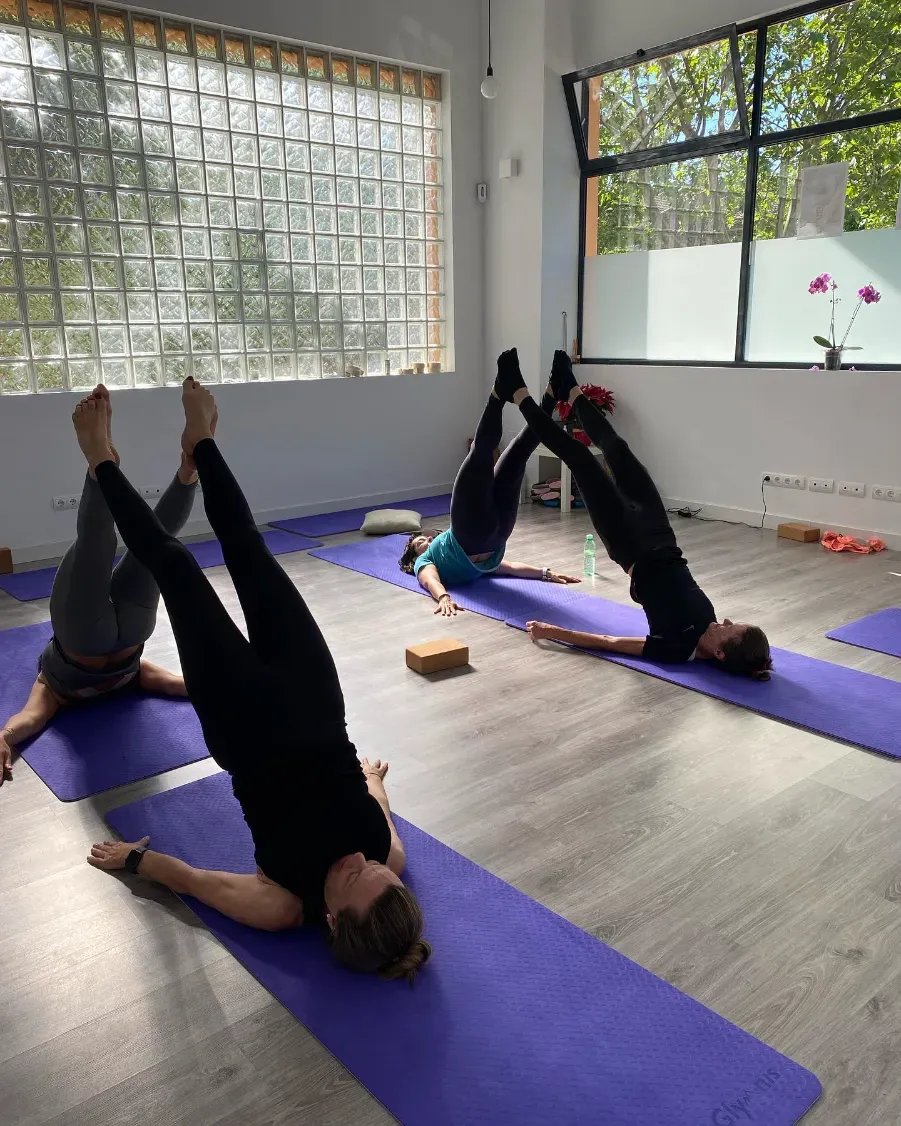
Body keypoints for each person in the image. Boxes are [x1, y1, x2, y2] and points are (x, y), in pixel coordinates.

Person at [81, 378, 430, 982]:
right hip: (316, 700)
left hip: (241, 722)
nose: (358, 859)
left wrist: (137, 862)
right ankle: (203, 443)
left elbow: (196, 882)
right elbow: (381, 814)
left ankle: (100, 460)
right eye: (373, 869)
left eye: (352, 877)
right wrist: (371, 780)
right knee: (247, 547)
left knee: (176, 565)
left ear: (331, 920)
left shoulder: (282, 905)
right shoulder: (387, 858)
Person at [494, 351, 773, 679]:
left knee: (580, 457)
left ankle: (518, 394)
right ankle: (568, 388)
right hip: (659, 530)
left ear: (721, 653)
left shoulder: (674, 648)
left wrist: (552, 631)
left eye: (729, 630)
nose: (724, 621)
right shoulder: (709, 621)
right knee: (616, 447)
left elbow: (610, 642)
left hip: (627, 543)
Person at [0, 386, 196, 786]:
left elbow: (28, 722)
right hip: (86, 637)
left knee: (151, 541)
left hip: (132, 633)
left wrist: (5, 739)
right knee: (105, 544)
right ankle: (104, 464)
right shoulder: (51, 681)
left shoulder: (109, 681)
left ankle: (184, 471)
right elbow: (180, 685)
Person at [399, 349, 580, 614]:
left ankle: (553, 391)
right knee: (481, 453)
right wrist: (443, 598)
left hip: (497, 535)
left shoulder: (468, 567)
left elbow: (508, 567)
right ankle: (498, 392)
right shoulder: (424, 561)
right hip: (475, 533)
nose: (426, 538)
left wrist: (545, 573)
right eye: (419, 543)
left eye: (422, 539)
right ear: (415, 556)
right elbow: (429, 579)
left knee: (519, 452)